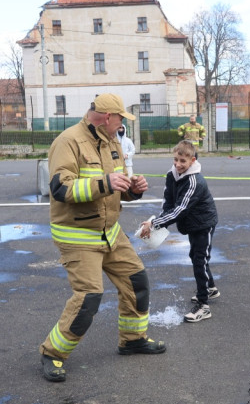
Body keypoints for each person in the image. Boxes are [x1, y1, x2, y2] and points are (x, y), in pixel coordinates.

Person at [38, 94, 166, 382]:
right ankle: (52, 354)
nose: (123, 125)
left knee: (137, 282)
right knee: (88, 298)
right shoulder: (68, 141)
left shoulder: (112, 141)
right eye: (121, 118)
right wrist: (104, 183)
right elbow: (60, 189)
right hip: (78, 235)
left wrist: (134, 189)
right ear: (108, 117)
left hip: (109, 232)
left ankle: (132, 340)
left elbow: (116, 186)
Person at [138, 140, 219, 323]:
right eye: (175, 159)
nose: (178, 164)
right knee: (197, 256)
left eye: (183, 161)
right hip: (192, 223)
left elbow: (180, 209)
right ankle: (210, 288)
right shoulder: (172, 174)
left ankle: (203, 306)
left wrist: (154, 224)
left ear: (192, 160)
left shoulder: (194, 181)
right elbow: (168, 202)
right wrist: (156, 223)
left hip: (204, 223)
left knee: (200, 259)